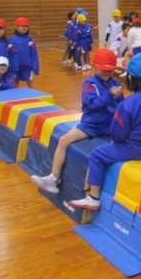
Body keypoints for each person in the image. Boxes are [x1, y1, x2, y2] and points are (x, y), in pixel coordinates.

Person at [70, 54, 141, 211]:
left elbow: (117, 135)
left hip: (138, 149)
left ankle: (93, 198)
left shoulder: (128, 103)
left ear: (131, 79)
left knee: (97, 155)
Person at [30, 49, 124, 194]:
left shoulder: (115, 83)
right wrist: (110, 95)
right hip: (91, 124)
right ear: (94, 66)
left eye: (110, 70)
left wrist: (120, 97)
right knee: (63, 140)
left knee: (113, 149)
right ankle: (53, 178)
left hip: (109, 126)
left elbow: (121, 105)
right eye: (103, 69)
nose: (106, 73)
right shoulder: (89, 83)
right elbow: (93, 104)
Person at [9, 17, 40, 88]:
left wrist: (35, 67)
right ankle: (14, 95)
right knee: (15, 83)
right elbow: (9, 53)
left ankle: (33, 94)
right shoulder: (11, 39)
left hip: (27, 67)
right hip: (15, 66)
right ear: (16, 27)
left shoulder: (30, 40)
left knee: (30, 82)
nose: (24, 28)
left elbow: (34, 54)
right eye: (22, 26)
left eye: (26, 26)